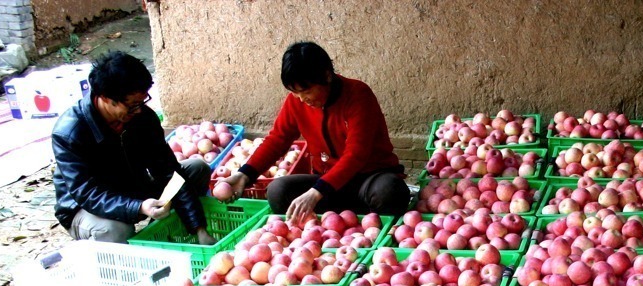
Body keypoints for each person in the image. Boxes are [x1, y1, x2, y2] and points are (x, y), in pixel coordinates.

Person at [216, 42, 409, 224]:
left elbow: (356, 155)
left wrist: (316, 192)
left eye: (306, 90)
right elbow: (278, 139)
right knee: (278, 190)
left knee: (390, 191)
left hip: (368, 180)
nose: (301, 99)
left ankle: (366, 224)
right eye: (294, 92)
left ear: (326, 76)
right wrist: (245, 174)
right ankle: (328, 225)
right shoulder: (296, 102)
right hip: (327, 184)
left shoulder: (358, 95)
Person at [52, 51, 215, 244]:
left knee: (196, 169)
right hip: (85, 207)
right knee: (116, 229)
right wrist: (138, 207)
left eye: (142, 101)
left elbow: (169, 172)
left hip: (133, 189)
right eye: (131, 105)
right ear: (105, 98)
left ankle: (162, 234)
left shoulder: (142, 118)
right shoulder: (69, 133)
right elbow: (87, 194)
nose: (138, 110)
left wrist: (199, 228)